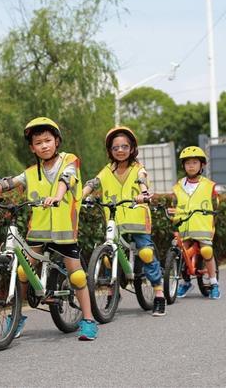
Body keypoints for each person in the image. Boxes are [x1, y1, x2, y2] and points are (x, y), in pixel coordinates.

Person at [0, 117, 98, 340]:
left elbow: (67, 179)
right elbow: (9, 183)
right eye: (38, 143)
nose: (44, 145)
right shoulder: (31, 172)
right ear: (32, 147)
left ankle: (88, 319)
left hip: (64, 230)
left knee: (77, 276)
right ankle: (18, 317)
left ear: (57, 141)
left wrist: (57, 196)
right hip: (37, 230)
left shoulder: (70, 160)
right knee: (22, 271)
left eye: (48, 140)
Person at [82, 126, 167, 316]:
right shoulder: (106, 170)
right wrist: (81, 195)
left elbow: (142, 180)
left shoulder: (138, 168)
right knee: (108, 255)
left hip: (137, 217)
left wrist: (144, 193)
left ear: (132, 148)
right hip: (115, 219)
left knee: (145, 253)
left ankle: (159, 294)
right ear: (110, 151)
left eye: (124, 146)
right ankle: (114, 293)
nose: (120, 150)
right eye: (115, 148)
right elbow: (93, 183)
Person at [169, 146, 221, 299]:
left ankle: (214, 282)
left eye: (194, 162)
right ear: (183, 166)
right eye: (187, 163)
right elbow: (174, 204)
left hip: (202, 226)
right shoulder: (178, 186)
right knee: (181, 253)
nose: (191, 166)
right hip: (184, 225)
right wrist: (173, 215)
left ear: (202, 165)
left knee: (206, 251)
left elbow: (215, 204)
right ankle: (185, 282)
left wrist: (212, 219)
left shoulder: (209, 185)